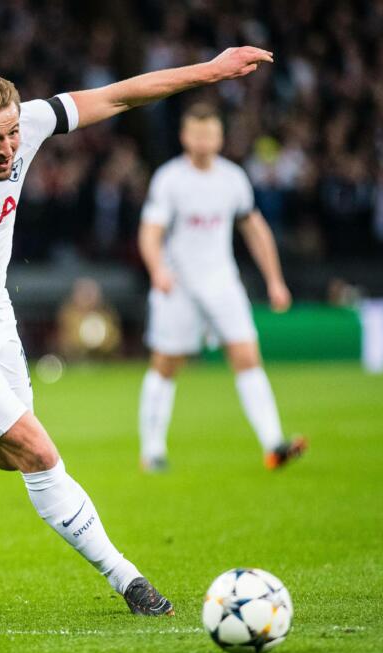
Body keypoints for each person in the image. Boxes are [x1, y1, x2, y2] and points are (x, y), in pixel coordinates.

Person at [0, 46, 275, 616]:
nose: (8, 148)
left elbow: (119, 94)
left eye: (12, 134)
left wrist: (208, 70)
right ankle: (131, 581)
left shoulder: (26, 125)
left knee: (2, 456)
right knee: (36, 451)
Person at [136, 103, 306, 472]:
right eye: (197, 133)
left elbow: (254, 228)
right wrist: (158, 270)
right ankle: (152, 451)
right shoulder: (170, 179)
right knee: (167, 363)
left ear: (220, 137)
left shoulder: (232, 178)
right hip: (178, 284)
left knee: (247, 356)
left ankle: (273, 444)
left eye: (210, 133)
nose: (204, 140)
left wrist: (275, 280)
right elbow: (151, 232)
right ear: (184, 136)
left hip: (222, 281)